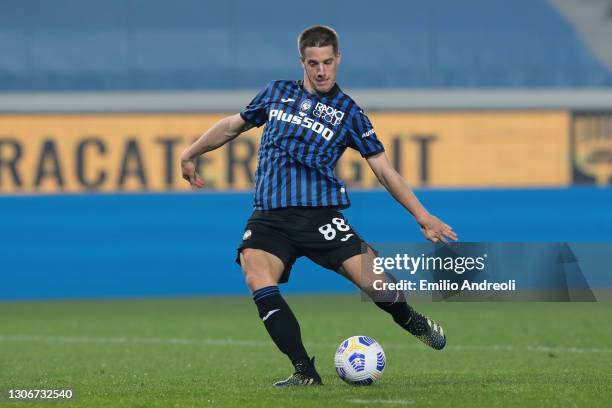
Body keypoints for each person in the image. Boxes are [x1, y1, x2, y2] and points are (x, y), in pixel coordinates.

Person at [180, 25, 457, 387]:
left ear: (338, 59)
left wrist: (422, 216)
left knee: (381, 288)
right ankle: (304, 371)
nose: (322, 70)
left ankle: (411, 319)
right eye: (314, 63)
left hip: (321, 217)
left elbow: (384, 171)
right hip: (269, 217)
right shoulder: (275, 93)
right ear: (303, 62)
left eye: (328, 62)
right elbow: (232, 126)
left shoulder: (349, 113)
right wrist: (190, 152)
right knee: (255, 273)